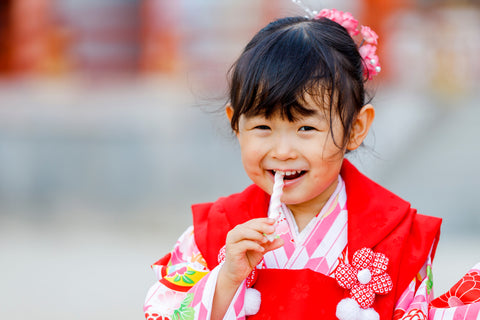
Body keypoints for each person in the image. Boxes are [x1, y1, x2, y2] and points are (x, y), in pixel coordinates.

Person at [144, 6, 480, 320]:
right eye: (263, 127)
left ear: (355, 128)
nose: (283, 150)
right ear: (236, 123)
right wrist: (226, 279)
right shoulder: (216, 233)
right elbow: (163, 310)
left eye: (306, 128)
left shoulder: (398, 236)